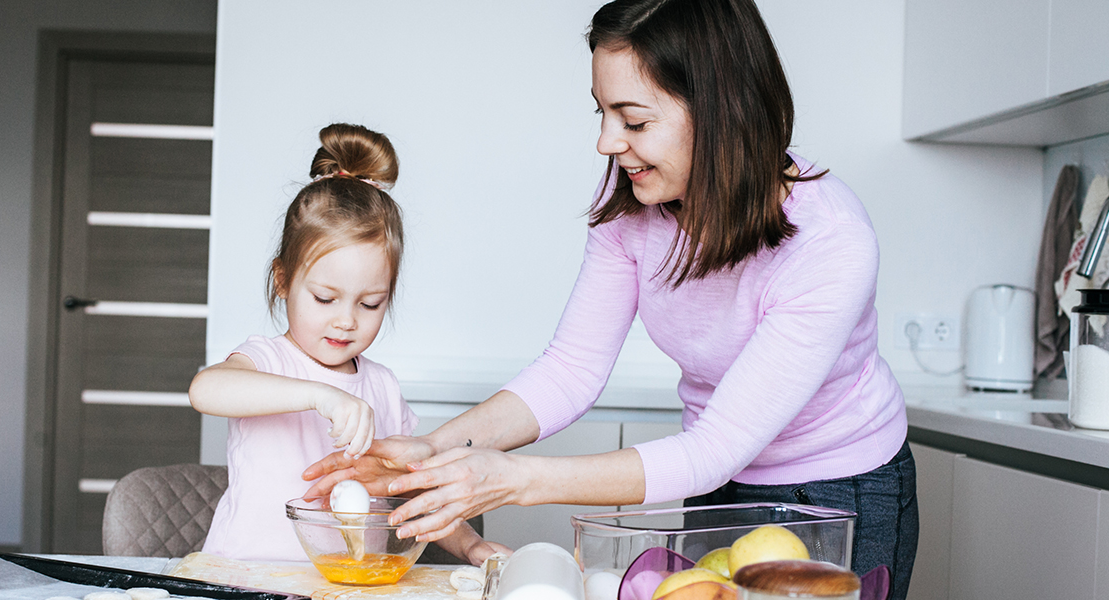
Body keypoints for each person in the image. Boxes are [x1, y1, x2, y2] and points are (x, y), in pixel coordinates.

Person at [303, 1, 918, 597]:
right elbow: (572, 370)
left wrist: (514, 479)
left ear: (723, 110)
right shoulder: (636, 203)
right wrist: (433, 450)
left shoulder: (831, 241)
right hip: (715, 484)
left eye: (634, 120)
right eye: (601, 113)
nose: (607, 142)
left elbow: (713, 449)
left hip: (837, 492)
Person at [191, 123, 506, 565]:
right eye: (325, 298)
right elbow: (206, 390)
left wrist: (472, 545)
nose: (346, 321)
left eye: (370, 303)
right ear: (283, 280)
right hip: (248, 577)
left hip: (352, 585)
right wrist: (321, 395)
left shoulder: (382, 386)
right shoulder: (267, 360)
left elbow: (413, 488)